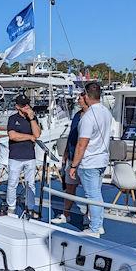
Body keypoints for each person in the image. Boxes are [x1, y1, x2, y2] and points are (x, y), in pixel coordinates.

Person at [68, 82, 113, 237]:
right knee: (97, 193)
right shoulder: (106, 112)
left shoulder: (87, 117)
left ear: (87, 96)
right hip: (102, 160)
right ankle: (98, 224)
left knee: (92, 195)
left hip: (90, 162)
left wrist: (73, 165)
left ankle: (95, 228)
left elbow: (82, 144)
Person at [0, 94, 40, 218]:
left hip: (30, 157)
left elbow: (37, 134)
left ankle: (30, 207)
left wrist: (32, 118)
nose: (26, 106)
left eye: (27, 104)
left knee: (30, 184)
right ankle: (11, 206)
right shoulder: (12, 118)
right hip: (15, 157)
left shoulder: (33, 118)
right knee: (12, 183)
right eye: (23, 105)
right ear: (17, 107)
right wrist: (29, 137)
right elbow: (13, 136)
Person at [51, 96, 85, 224]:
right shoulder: (77, 115)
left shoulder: (91, 116)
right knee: (69, 187)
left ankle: (89, 217)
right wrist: (65, 155)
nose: (78, 100)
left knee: (89, 191)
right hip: (71, 156)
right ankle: (66, 214)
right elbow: (71, 136)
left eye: (80, 98)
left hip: (85, 159)